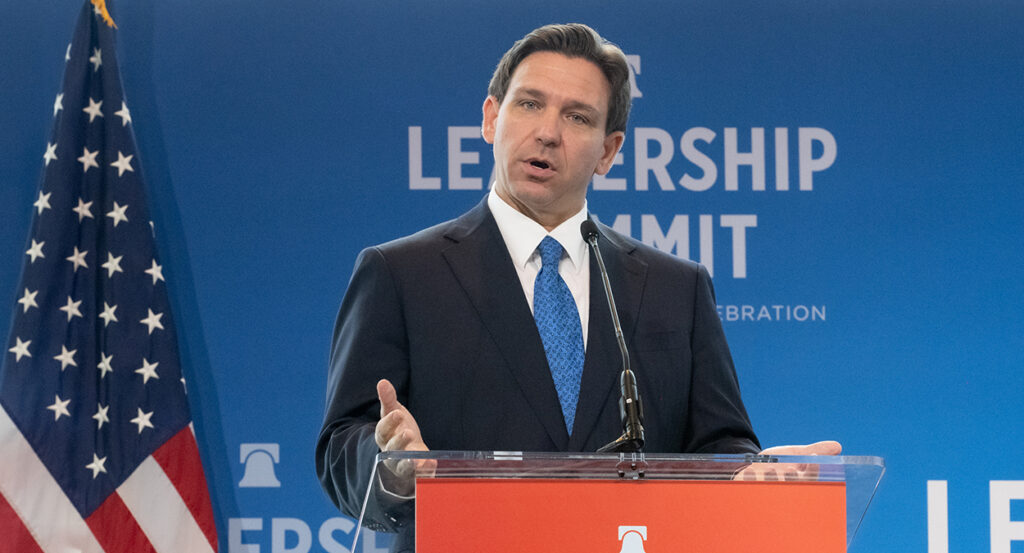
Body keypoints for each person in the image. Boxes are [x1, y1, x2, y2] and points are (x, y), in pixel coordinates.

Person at [315, 23, 839, 552]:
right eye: (529, 104)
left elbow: (719, 442)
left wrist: (748, 475)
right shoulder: (402, 273)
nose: (547, 132)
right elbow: (343, 444)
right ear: (491, 118)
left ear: (608, 151)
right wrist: (392, 466)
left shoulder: (676, 288)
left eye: (577, 117)